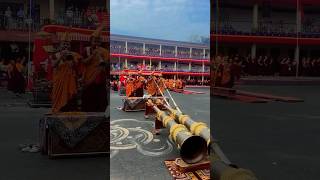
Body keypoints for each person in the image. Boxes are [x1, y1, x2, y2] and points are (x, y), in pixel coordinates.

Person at [51, 31, 81, 113]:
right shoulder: (55, 55)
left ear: (70, 46)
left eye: (67, 44)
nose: (65, 46)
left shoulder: (73, 55)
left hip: (70, 81)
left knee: (70, 98)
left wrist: (71, 57)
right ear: (60, 45)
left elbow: (75, 66)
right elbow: (53, 65)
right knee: (58, 98)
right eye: (64, 44)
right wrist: (61, 56)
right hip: (59, 81)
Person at [81, 25, 108, 112]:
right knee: (88, 100)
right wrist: (93, 55)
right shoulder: (86, 50)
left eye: (98, 41)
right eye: (94, 41)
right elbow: (84, 62)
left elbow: (106, 64)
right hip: (89, 79)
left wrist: (100, 57)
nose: (96, 43)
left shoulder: (104, 51)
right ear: (91, 41)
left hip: (100, 78)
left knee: (101, 100)